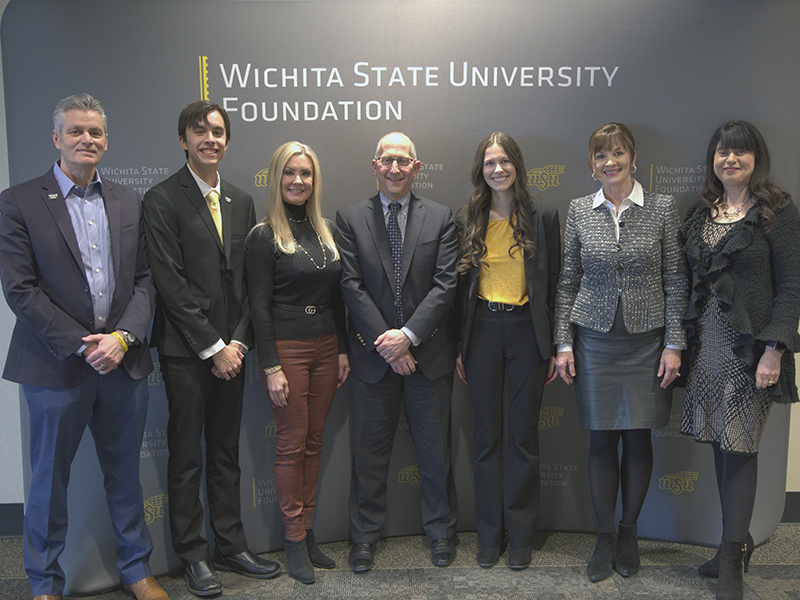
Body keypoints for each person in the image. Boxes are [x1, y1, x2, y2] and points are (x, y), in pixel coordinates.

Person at [0, 94, 167, 600]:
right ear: (57, 138)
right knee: (49, 484)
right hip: (55, 367)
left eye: (95, 133)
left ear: (106, 141)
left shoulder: (126, 200)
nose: (86, 140)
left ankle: (137, 570)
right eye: (76, 132)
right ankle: (45, 583)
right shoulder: (18, 201)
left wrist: (121, 339)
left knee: (125, 478)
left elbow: (145, 280)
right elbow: (19, 290)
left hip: (122, 363)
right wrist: (83, 344)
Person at [143, 101, 279, 596]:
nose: (210, 139)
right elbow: (169, 284)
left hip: (234, 353)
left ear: (227, 141)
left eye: (218, 132)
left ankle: (231, 544)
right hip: (186, 354)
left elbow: (248, 282)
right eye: (199, 132)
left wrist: (239, 342)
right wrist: (213, 346)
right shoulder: (161, 199)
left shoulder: (242, 201)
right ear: (183, 140)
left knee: (225, 453)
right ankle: (194, 556)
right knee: (186, 457)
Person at [554, 122, 687, 582]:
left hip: (648, 340)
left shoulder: (663, 208)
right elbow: (567, 280)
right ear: (591, 163)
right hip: (593, 339)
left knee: (637, 437)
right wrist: (563, 342)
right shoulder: (578, 210)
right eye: (600, 155)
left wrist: (674, 343)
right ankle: (604, 535)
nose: (609, 162)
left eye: (617, 153)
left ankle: (629, 531)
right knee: (600, 438)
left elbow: (676, 279)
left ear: (632, 156)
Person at [680, 121, 800, 600]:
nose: (730, 159)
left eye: (740, 152)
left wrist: (775, 348)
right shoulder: (700, 214)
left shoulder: (777, 212)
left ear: (756, 158)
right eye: (722, 152)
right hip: (707, 348)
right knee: (719, 443)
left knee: (740, 447)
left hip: (752, 353)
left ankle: (732, 558)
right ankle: (736, 539)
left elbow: (793, 286)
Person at [336, 132, 459, 572]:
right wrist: (389, 345)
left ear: (416, 167)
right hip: (373, 359)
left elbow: (446, 285)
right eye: (386, 160)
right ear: (374, 166)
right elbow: (350, 286)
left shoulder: (442, 218)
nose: (394, 168)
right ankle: (364, 538)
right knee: (368, 458)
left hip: (428, 358)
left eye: (402, 161)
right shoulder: (349, 218)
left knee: (435, 455)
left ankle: (442, 533)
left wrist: (407, 336)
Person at [454, 132, 560, 570]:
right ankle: (488, 536)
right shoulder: (468, 218)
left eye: (504, 161)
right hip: (480, 332)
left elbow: (553, 284)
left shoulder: (542, 216)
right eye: (488, 163)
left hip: (525, 333)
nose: (497, 170)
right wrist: (460, 346)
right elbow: (458, 290)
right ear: (480, 170)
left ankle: (520, 537)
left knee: (522, 439)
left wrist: (552, 345)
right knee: (486, 440)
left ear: (517, 164)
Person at [245, 142, 350, 583]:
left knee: (314, 442)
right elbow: (259, 306)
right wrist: (270, 366)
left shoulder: (326, 230)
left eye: (305, 174)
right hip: (286, 348)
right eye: (289, 173)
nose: (298, 181)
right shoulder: (263, 235)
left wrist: (343, 348)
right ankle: (292, 539)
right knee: (291, 444)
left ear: (314, 180)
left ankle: (307, 532)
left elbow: (337, 297)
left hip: (327, 346)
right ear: (276, 177)